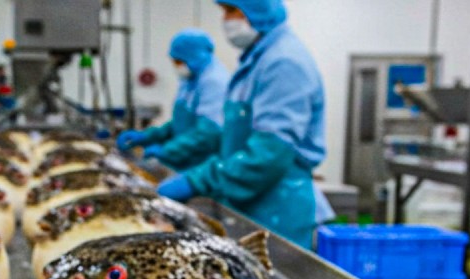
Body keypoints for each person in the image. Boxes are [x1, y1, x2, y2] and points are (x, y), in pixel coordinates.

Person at [156, 0, 331, 249]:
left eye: (231, 10)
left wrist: (199, 181)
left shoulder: (283, 63)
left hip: (277, 210)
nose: (225, 20)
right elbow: (232, 140)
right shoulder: (256, 61)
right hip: (255, 202)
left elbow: (268, 155)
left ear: (257, 9)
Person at [117, 29, 230, 171]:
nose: (176, 66)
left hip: (204, 167)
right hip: (187, 163)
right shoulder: (190, 80)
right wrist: (148, 136)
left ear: (194, 57)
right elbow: (181, 123)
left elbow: (208, 134)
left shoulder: (214, 82)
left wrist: (167, 151)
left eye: (178, 61)